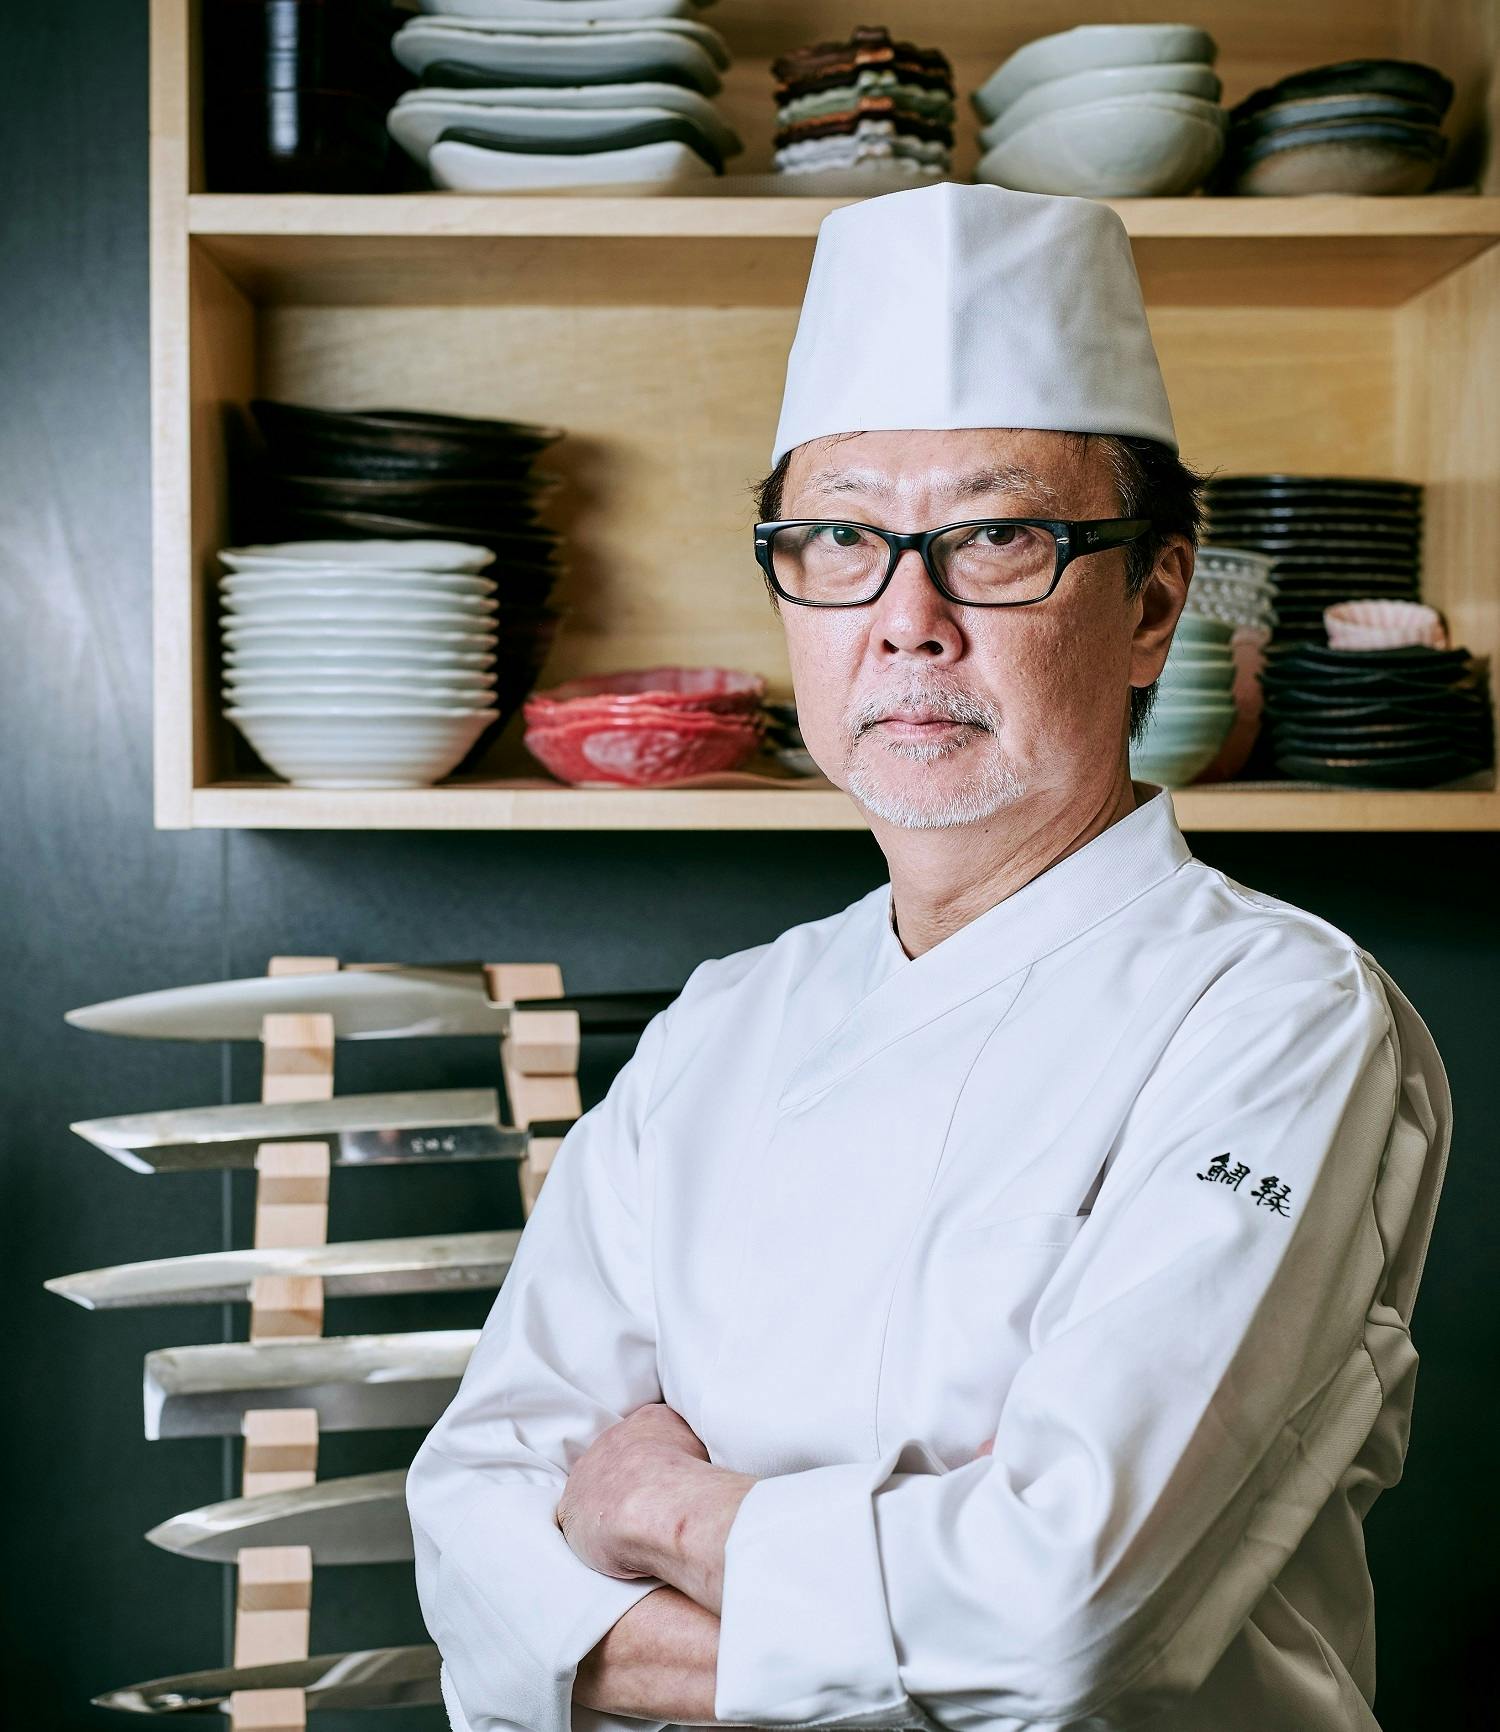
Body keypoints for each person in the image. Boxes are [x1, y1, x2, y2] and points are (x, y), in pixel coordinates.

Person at [406, 181, 1451, 1732]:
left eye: (998, 536)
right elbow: (474, 1531)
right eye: (840, 536)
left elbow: (1059, 1625)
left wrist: (659, 1513)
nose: (908, 619)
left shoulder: (1282, 1018)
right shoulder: (723, 1023)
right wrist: (900, 1598)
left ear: (1153, 603)